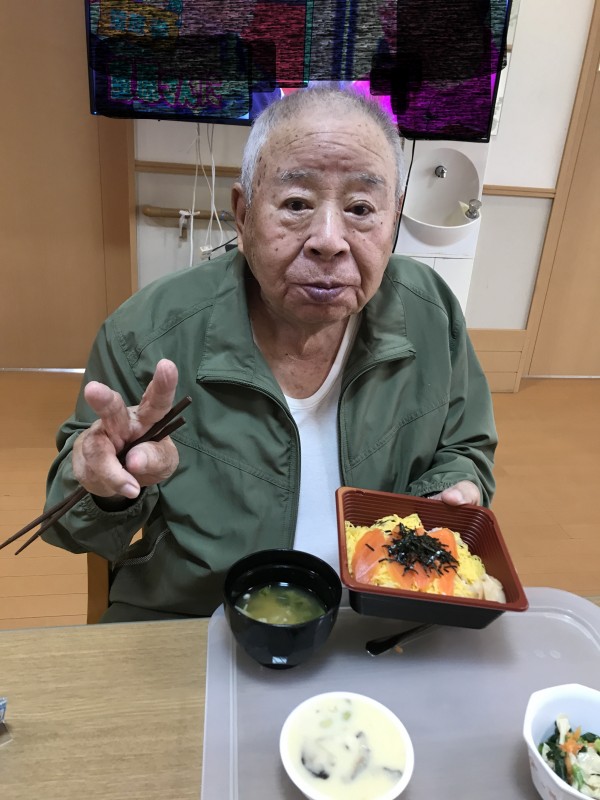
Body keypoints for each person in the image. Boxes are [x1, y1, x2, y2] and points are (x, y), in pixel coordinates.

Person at [42, 86, 497, 622]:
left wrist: (449, 493)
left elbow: (465, 446)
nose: (329, 240)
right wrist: (107, 487)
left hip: (376, 613)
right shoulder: (147, 332)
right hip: (200, 617)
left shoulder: (430, 311)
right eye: (297, 204)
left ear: (392, 219)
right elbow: (70, 526)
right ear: (243, 214)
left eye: (360, 209)